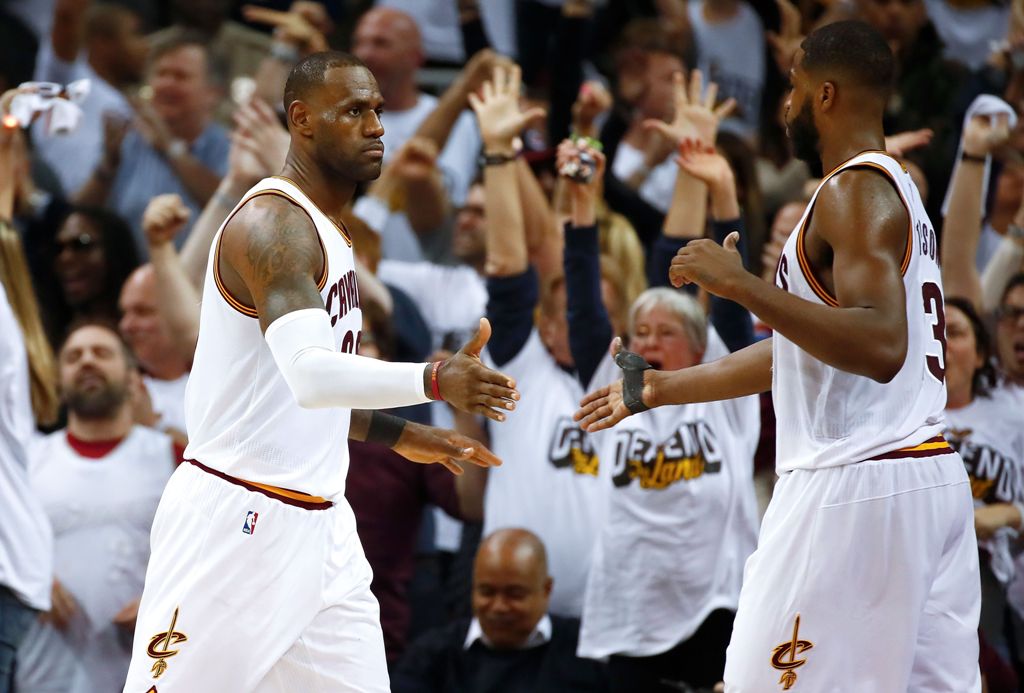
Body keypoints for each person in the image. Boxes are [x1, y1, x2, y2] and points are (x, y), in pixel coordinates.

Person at [576, 21, 981, 690]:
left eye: (791, 89)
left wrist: (741, 286)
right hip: (919, 476)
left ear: (825, 95)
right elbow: (804, 357)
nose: (782, 105)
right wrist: (659, 390)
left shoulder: (853, 191)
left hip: (856, 480)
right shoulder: (897, 190)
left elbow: (880, 345)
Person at [121, 51, 518, 693]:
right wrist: (434, 381)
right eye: (354, 111)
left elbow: (284, 393)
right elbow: (311, 375)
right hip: (236, 518)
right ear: (301, 120)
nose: (376, 127)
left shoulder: (330, 229)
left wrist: (396, 433)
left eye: (379, 112)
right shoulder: (275, 223)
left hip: (324, 526)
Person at [16, 323, 177, 693]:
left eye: (101, 353)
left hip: (150, 671)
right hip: (44, 673)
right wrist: (31, 575)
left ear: (133, 377)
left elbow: (214, 553)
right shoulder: (25, 463)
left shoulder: (173, 458)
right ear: (58, 382)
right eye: (74, 356)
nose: (87, 361)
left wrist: (168, 597)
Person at [391, 528, 609, 693]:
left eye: (515, 594)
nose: (499, 606)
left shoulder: (586, 652)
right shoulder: (433, 655)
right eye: (486, 592)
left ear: (546, 589)